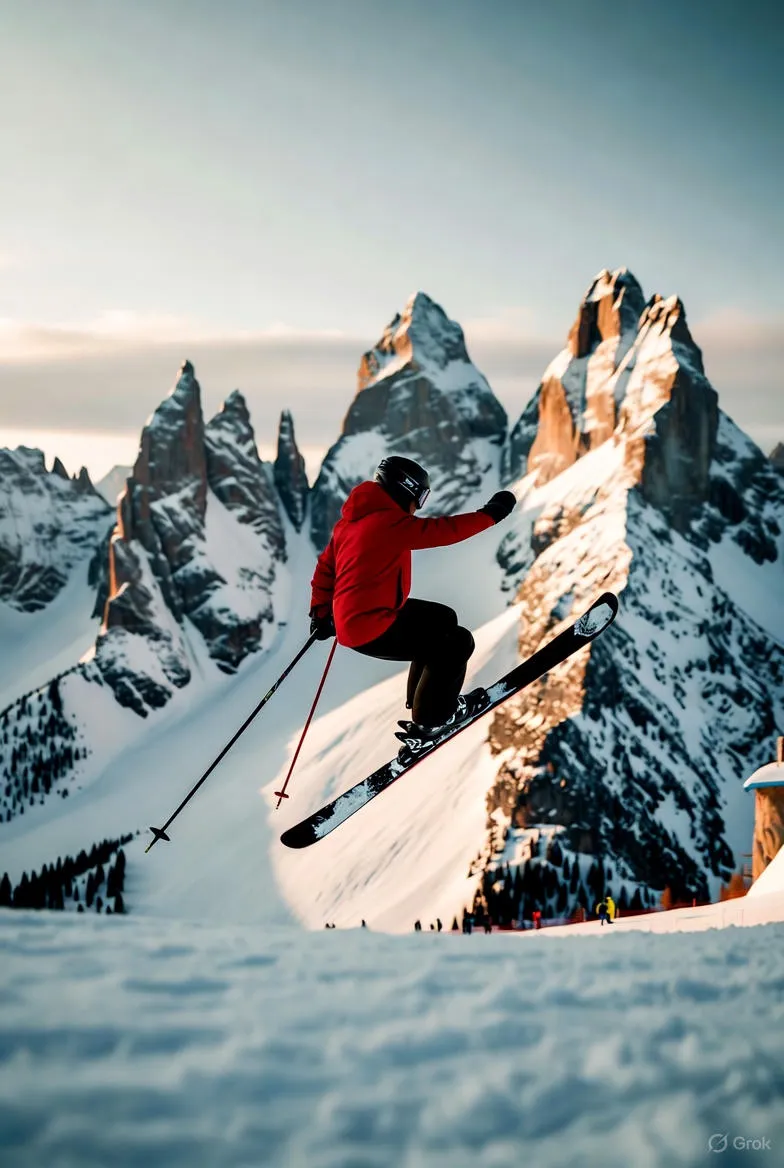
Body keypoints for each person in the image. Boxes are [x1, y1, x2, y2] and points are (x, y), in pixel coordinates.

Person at [309, 456, 516, 745]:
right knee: (456, 642)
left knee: (441, 619)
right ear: (406, 489)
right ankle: (432, 720)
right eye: (422, 496)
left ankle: (422, 703)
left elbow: (325, 569)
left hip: (361, 618)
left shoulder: (350, 523)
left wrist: (320, 612)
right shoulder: (387, 522)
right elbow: (443, 531)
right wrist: (491, 514)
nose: (419, 506)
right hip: (370, 626)